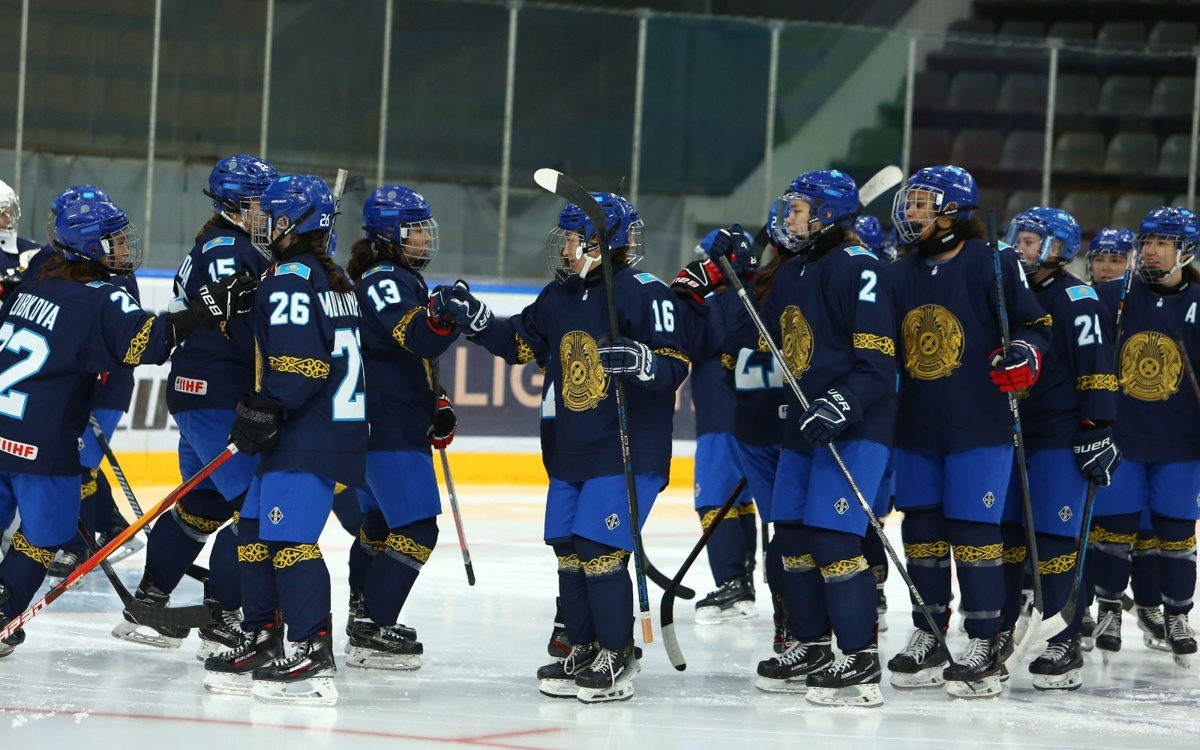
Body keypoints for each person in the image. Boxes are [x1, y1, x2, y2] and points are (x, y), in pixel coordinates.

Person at [431, 193, 690, 703]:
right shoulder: (559, 297)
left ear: (601, 242)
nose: (566, 249)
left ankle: (618, 653)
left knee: (599, 549)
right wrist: (478, 320)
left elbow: (674, 365)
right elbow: (519, 342)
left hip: (627, 450)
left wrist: (643, 362)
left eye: (573, 239)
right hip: (574, 449)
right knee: (568, 550)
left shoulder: (645, 292)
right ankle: (587, 647)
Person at [0, 199, 250, 657]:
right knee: (41, 538)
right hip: (43, 443)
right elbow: (146, 344)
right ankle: (4, 612)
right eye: (113, 239)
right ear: (89, 246)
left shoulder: (36, 283)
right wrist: (203, 310)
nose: (122, 246)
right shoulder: (102, 295)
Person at [717, 169, 896, 706]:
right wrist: (736, 274)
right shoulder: (795, 269)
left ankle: (860, 658)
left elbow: (877, 362)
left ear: (825, 214)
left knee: (834, 540)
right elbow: (747, 336)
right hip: (802, 427)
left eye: (796, 210)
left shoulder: (859, 265)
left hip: (855, 427)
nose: (787, 218)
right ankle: (812, 645)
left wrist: (842, 403)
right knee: (791, 538)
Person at [886, 165, 1052, 698]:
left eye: (922, 203)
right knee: (922, 531)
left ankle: (985, 639)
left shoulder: (993, 261)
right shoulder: (900, 270)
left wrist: (1024, 353)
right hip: (916, 425)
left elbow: (1034, 325)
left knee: (975, 532)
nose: (912, 211)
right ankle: (930, 633)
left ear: (953, 211)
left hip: (979, 424)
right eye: (911, 202)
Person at [201, 174, 366, 706]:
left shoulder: (292, 278)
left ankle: (313, 651)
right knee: (252, 530)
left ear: (291, 224)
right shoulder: (325, 276)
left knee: (290, 542)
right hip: (312, 430)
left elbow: (302, 364)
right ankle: (263, 636)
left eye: (271, 218)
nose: (263, 225)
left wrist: (263, 408)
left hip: (307, 434)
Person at [114, 155, 278, 658]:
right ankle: (221, 616)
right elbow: (244, 329)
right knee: (253, 508)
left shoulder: (226, 244)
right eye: (260, 202)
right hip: (219, 396)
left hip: (200, 393)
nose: (269, 210)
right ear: (234, 205)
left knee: (204, 504)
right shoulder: (229, 249)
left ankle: (149, 603)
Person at [998, 206, 1120, 690]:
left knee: (1053, 540)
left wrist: (1097, 427)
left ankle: (1064, 640)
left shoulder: (1077, 299)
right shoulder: (1006, 291)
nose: (1020, 248)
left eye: (1030, 241)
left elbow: (1097, 367)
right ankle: (998, 629)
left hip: (1058, 437)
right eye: (1018, 238)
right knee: (1004, 538)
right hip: (1006, 435)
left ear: (1057, 249)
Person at [340, 185, 457, 669]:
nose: (425, 239)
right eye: (416, 231)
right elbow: (416, 336)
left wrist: (436, 399)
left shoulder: (388, 276)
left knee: (379, 525)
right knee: (417, 529)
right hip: (388, 424)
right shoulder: (385, 279)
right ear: (391, 235)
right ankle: (372, 626)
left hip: (379, 421)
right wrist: (449, 317)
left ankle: (363, 614)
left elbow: (403, 355)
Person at [1091, 206, 1200, 668]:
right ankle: (1109, 610)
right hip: (1123, 439)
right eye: (1148, 241)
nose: (1151, 250)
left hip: (1182, 444)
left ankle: (1177, 615)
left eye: (1163, 243)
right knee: (1114, 529)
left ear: (1185, 250)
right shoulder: (1111, 295)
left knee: (1176, 531)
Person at [679, 230, 758, 624]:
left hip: (720, 419)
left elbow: (690, 340)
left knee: (714, 499)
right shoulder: (757, 297)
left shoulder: (717, 304)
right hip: (749, 419)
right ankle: (743, 581)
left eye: (707, 260)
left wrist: (686, 295)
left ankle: (733, 583)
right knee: (739, 503)